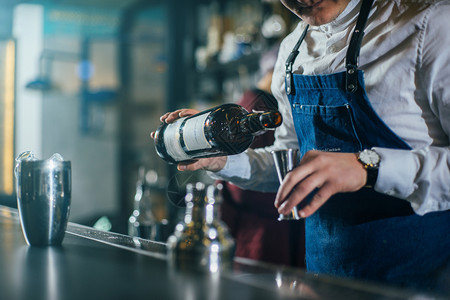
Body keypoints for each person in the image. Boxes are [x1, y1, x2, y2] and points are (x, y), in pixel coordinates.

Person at [154, 0, 450, 292]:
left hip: (421, 282)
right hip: (325, 281)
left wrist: (368, 168)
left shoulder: (429, 24)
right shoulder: (291, 51)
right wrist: (222, 161)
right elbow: (290, 165)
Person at [219, 44, 305, 267]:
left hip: (263, 231)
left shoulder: (255, 102)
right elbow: (241, 191)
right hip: (265, 236)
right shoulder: (259, 106)